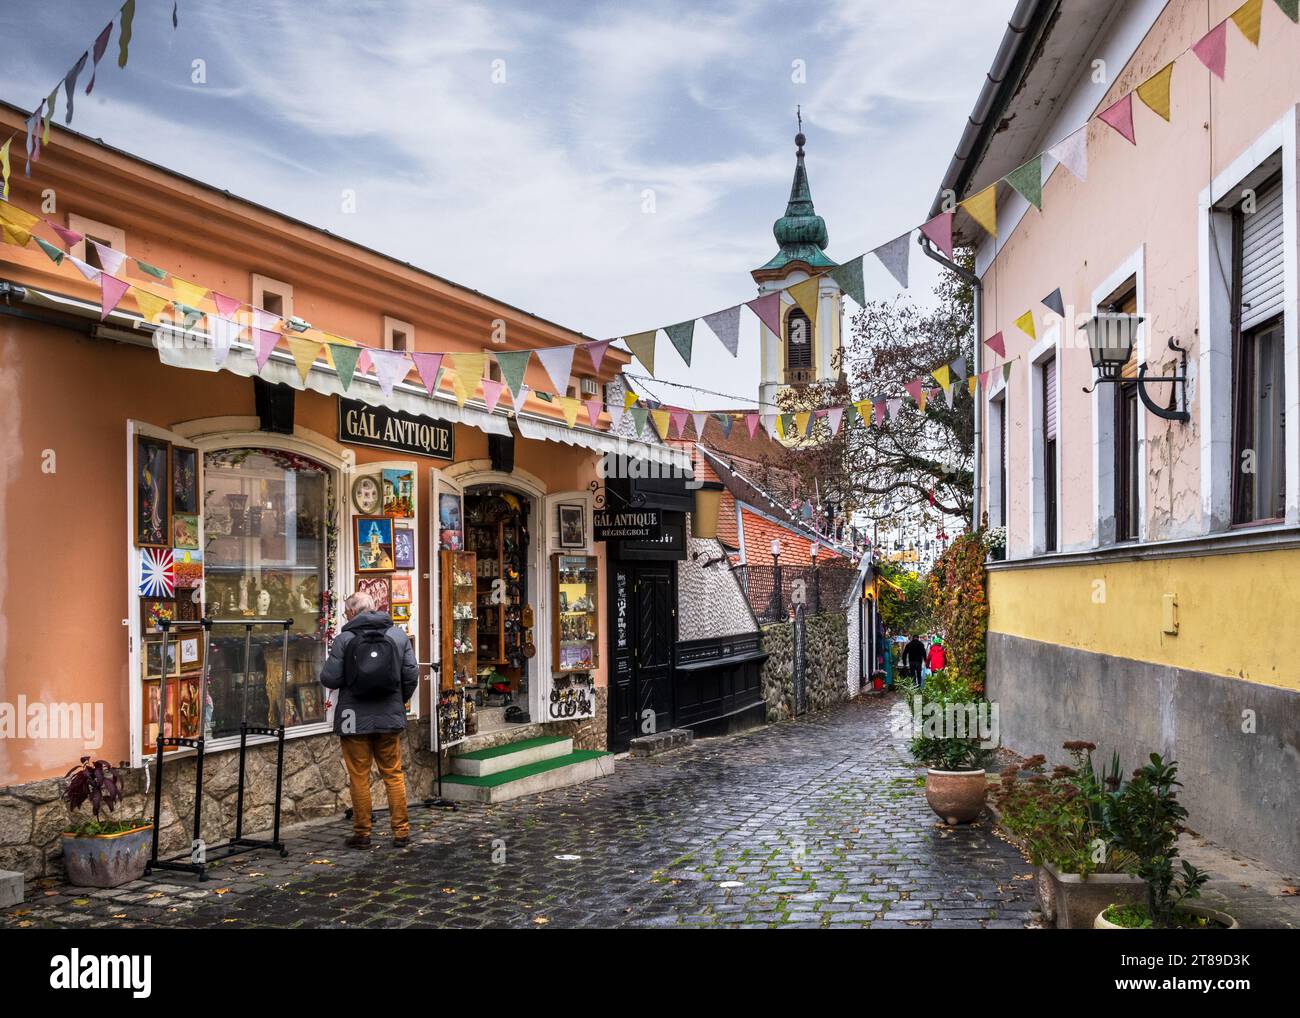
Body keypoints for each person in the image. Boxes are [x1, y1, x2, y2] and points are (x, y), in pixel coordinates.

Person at [320, 590, 419, 849]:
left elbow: (329, 679)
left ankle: (362, 834)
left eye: (345, 612)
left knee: (359, 776)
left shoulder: (344, 639)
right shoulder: (397, 636)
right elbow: (411, 674)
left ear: (352, 613)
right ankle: (401, 832)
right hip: (389, 713)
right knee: (393, 774)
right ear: (374, 608)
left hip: (354, 716)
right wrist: (397, 699)